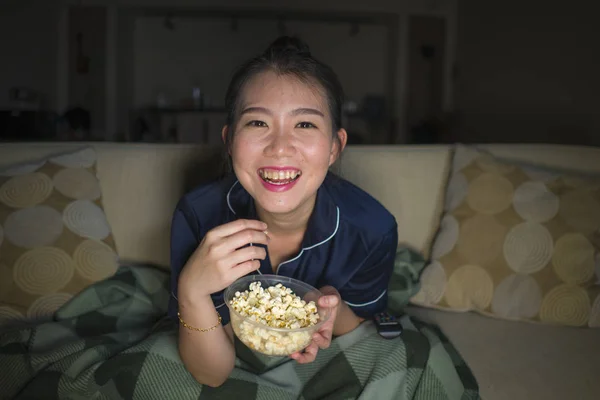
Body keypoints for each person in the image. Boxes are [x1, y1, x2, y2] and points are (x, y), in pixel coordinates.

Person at [168, 36, 398, 388]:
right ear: (229, 141)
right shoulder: (198, 215)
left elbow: (362, 335)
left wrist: (322, 309)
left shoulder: (373, 228)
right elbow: (211, 375)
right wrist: (191, 291)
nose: (279, 147)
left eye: (304, 124)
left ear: (335, 147)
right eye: (258, 123)